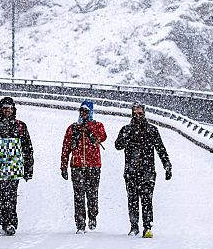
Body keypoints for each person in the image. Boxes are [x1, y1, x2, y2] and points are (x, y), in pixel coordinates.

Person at [114, 102, 172, 238]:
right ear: (132, 114)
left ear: (144, 113)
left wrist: (167, 165)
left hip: (148, 172)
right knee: (132, 199)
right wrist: (126, 137)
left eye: (140, 113)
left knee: (147, 200)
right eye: (135, 113)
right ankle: (134, 226)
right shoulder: (126, 129)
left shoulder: (152, 130)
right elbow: (117, 145)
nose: (137, 116)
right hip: (130, 172)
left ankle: (147, 227)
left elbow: (160, 149)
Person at [0, 97, 34, 236]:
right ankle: (4, 222)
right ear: (0, 109)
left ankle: (11, 223)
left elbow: (28, 148)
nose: (7, 111)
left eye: (9, 108)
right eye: (4, 108)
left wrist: (29, 167)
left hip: (15, 168)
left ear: (13, 109)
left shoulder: (21, 126)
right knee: (1, 196)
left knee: (11, 196)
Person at [60, 100, 107, 234]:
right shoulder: (73, 128)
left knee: (92, 194)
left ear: (91, 112)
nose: (84, 114)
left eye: (86, 111)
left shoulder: (98, 125)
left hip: (94, 166)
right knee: (79, 195)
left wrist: (90, 129)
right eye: (82, 111)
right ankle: (80, 224)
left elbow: (103, 137)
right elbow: (66, 147)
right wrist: (63, 166)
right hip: (77, 166)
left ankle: (93, 216)